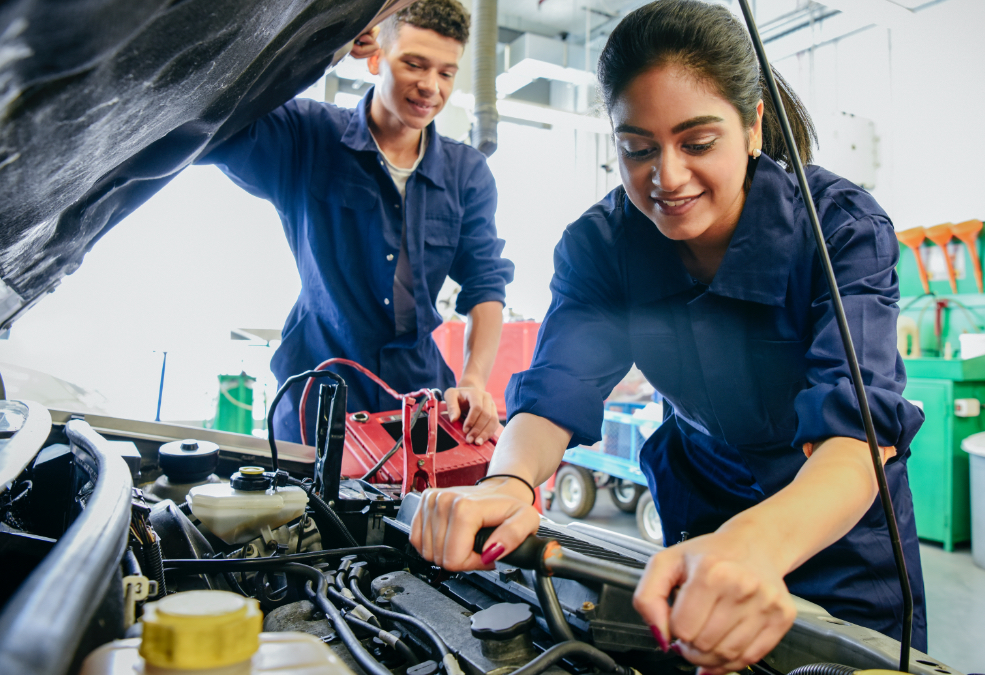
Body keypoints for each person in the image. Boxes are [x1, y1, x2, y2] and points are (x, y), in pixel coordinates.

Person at [406, 0, 927, 672]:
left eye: (698, 142)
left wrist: (756, 544)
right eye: (637, 148)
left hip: (841, 536)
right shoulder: (602, 245)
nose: (668, 177)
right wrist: (506, 482)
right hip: (703, 513)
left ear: (753, 125)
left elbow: (858, 435)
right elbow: (556, 389)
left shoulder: (842, 230)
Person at [201, 0, 513, 446]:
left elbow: (485, 283)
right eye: (414, 64)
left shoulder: (467, 174)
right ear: (374, 57)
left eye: (446, 72)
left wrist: (474, 380)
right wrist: (329, 42)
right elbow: (219, 118)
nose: (430, 87)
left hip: (418, 403)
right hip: (317, 399)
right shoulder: (308, 137)